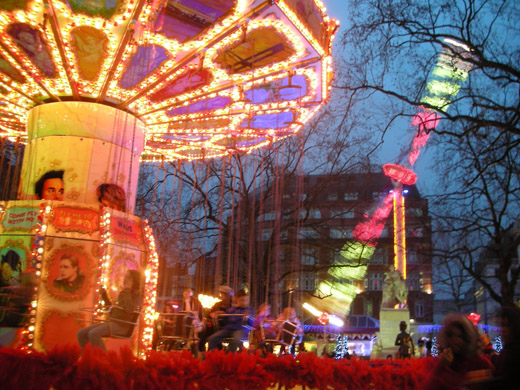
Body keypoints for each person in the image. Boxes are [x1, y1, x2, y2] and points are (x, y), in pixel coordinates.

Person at [423, 313, 493, 390]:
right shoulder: (443, 363)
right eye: (450, 335)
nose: (454, 340)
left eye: (459, 336)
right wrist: (441, 367)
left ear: (467, 338)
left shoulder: (480, 363)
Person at [77, 270, 141, 351]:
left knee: (93, 334)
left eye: (128, 277)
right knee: (81, 334)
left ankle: (105, 360)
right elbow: (113, 310)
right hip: (113, 322)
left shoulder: (136, 295)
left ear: (134, 280)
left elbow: (130, 309)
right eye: (125, 276)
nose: (125, 279)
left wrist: (127, 290)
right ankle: (88, 357)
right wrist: (104, 295)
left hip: (122, 326)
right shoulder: (124, 293)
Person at [198, 285, 234, 353]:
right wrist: (214, 314)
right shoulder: (217, 304)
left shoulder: (232, 306)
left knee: (214, 335)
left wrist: (223, 314)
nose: (221, 296)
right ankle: (202, 351)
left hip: (225, 326)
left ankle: (217, 352)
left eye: (223, 294)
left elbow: (232, 316)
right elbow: (210, 314)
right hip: (214, 325)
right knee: (203, 332)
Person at [492, 305, 520, 389]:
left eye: (506, 325)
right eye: (501, 325)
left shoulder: (512, 354)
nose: (502, 329)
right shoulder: (507, 351)